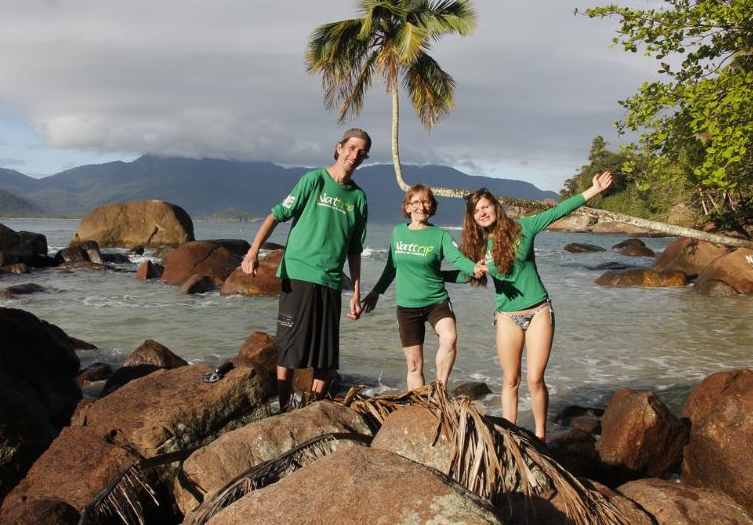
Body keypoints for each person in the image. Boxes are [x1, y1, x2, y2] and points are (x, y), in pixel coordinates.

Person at [460, 172, 613, 441]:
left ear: (496, 207)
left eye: (485, 206)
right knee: (510, 381)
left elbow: (560, 210)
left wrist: (593, 191)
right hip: (507, 316)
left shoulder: (524, 227)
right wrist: (472, 271)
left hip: (539, 311)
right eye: (476, 211)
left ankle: (541, 436)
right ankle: (511, 437)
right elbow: (464, 273)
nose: (482, 213)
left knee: (534, 380)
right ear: (473, 218)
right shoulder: (479, 244)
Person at [240, 128, 370, 412]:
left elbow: (354, 250)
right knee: (289, 347)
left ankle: (312, 408)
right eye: (351, 148)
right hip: (298, 273)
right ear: (339, 148)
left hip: (332, 280)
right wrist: (253, 252)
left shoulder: (358, 198)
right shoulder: (313, 180)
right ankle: (285, 408)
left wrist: (357, 293)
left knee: (325, 355)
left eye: (361, 152)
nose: (355, 155)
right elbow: (276, 214)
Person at [363, 184, 487, 391]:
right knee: (414, 365)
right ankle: (419, 406)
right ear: (408, 206)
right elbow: (391, 267)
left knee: (449, 338)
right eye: (416, 202)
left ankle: (439, 390)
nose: (422, 206)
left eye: (426, 201)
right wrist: (377, 291)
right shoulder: (398, 233)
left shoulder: (440, 235)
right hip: (407, 306)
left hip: (436, 301)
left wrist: (473, 268)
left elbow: (457, 258)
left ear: (432, 206)